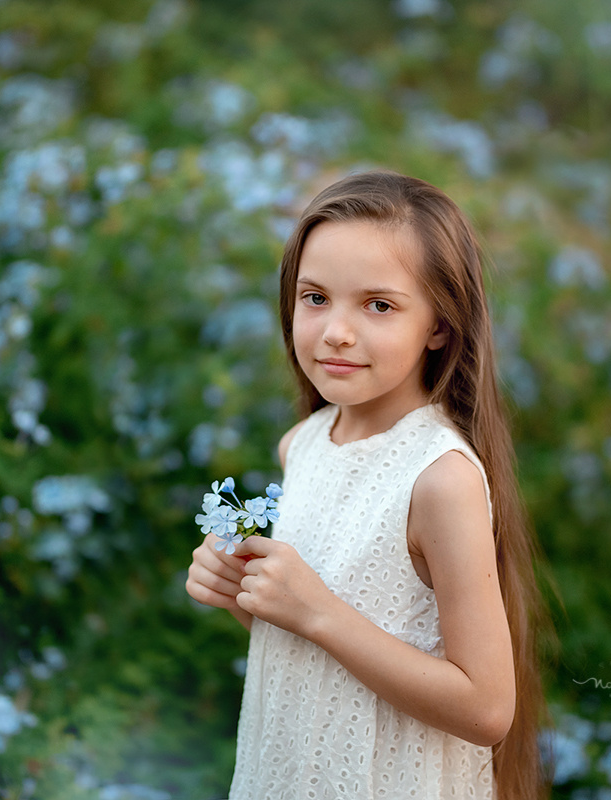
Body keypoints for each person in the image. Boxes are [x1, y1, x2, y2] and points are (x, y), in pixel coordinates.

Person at [186, 170, 549, 800]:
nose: (336, 331)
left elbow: (487, 708)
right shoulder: (303, 444)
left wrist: (316, 611)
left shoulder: (439, 478)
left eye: (378, 305)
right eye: (315, 297)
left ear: (439, 326)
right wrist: (248, 595)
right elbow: (325, 655)